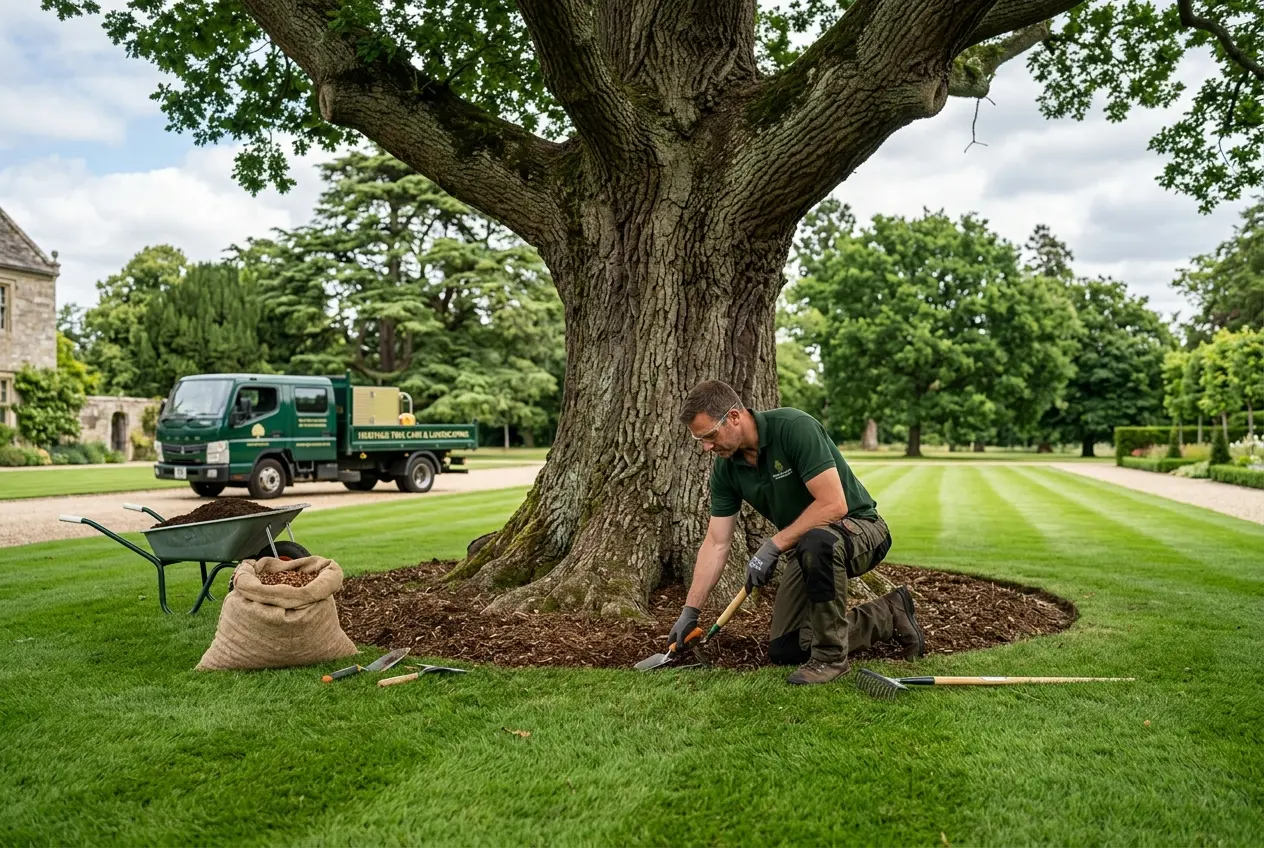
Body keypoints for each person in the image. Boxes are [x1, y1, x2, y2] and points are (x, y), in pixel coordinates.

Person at [669, 380, 924, 685]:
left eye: (710, 436)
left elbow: (833, 505)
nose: (707, 448)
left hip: (861, 530)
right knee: (787, 647)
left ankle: (830, 660)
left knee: (818, 540)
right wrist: (690, 611)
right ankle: (889, 614)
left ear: (734, 417)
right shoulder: (727, 469)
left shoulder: (793, 427)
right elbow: (716, 542)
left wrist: (773, 546)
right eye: (700, 440)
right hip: (808, 548)